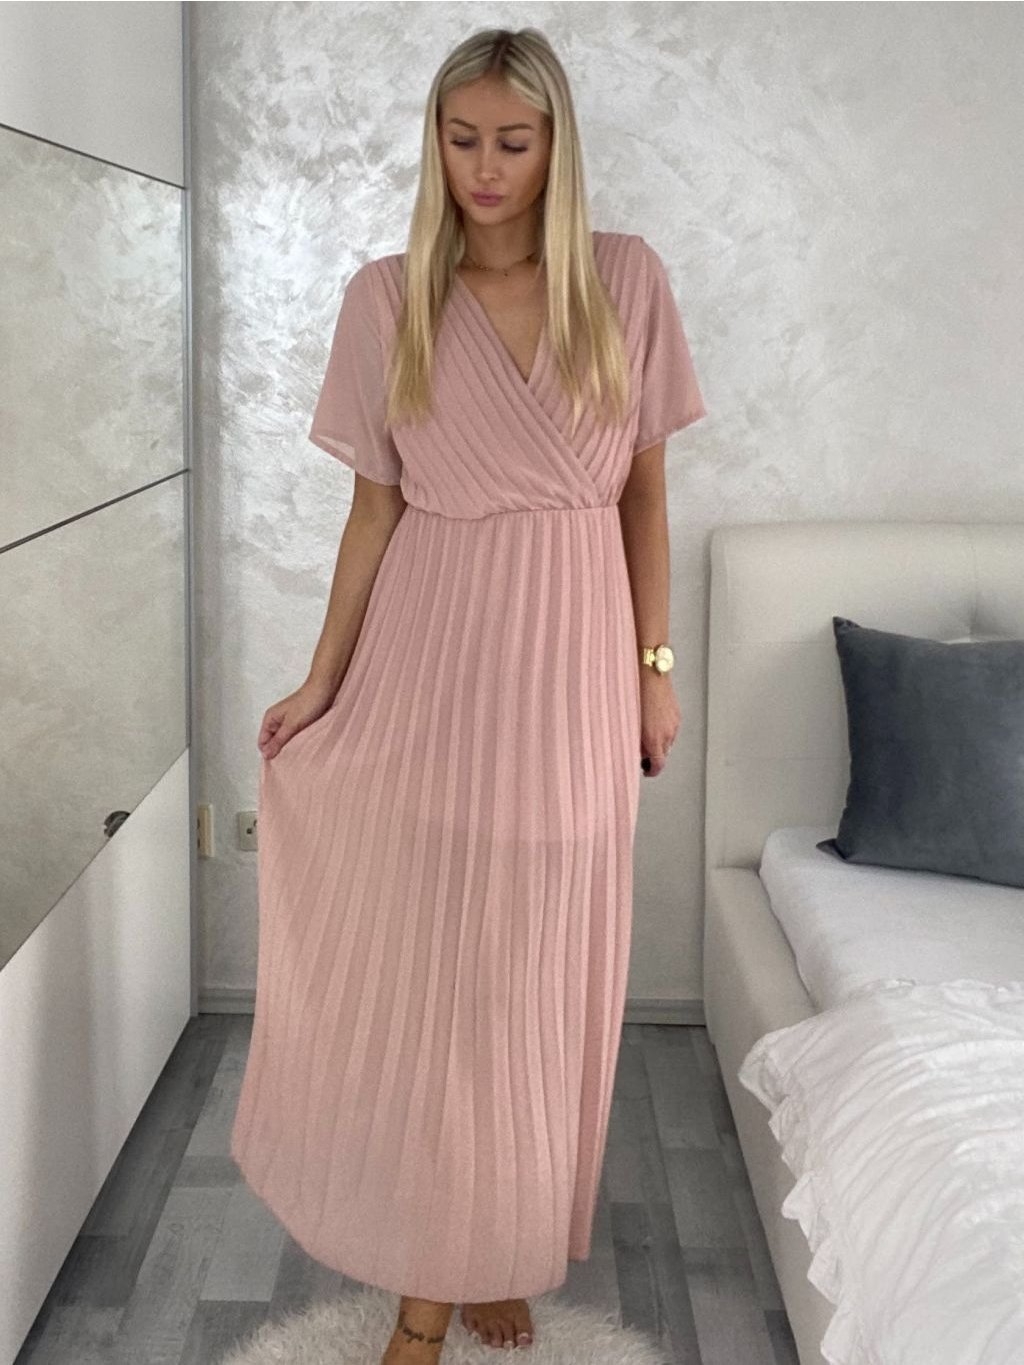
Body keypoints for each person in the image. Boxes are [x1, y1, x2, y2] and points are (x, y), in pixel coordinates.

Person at [230, 25, 706, 1365]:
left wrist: (654, 670)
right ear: (433, 145)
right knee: (439, 967)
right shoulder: (388, 296)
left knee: (533, 973)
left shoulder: (624, 280)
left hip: (571, 665)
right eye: (461, 139)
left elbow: (645, 498)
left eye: (513, 139)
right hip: (429, 658)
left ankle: (494, 1241)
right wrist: (321, 680)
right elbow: (374, 509)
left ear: (557, 146)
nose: (485, 166)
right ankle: (430, 1291)